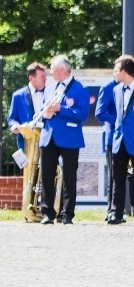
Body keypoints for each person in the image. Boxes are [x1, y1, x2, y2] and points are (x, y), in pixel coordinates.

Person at [38, 55, 89, 225]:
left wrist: (61, 108)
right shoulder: (50, 88)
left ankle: (67, 213)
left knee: (69, 176)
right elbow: (44, 110)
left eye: (52, 68)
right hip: (49, 136)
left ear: (61, 70)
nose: (50, 72)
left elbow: (82, 114)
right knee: (46, 175)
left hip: (69, 137)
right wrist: (46, 114)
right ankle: (47, 212)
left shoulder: (80, 89)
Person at [95, 54, 134, 220]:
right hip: (119, 140)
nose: (114, 73)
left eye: (116, 70)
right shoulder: (116, 89)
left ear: (124, 71)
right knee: (117, 178)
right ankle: (115, 213)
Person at [7, 62, 47, 151]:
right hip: (26, 143)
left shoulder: (50, 93)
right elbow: (11, 119)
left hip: (47, 143)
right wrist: (16, 126)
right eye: (42, 76)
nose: (45, 79)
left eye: (45, 76)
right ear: (31, 78)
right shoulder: (18, 96)